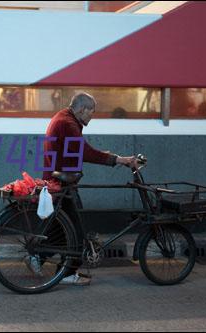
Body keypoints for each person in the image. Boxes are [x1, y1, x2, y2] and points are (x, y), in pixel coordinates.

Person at [29, 93, 137, 286]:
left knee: (62, 229)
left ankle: (38, 256)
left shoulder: (63, 117)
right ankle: (67, 273)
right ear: (82, 109)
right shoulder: (68, 124)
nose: (91, 117)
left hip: (59, 180)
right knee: (77, 232)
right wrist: (119, 160)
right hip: (63, 183)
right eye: (91, 112)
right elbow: (85, 152)